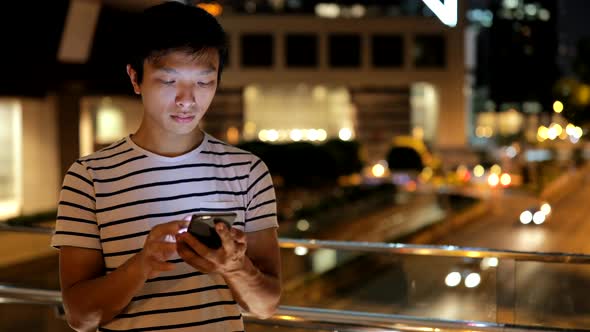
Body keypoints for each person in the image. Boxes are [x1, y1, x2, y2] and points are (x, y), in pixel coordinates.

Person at [51, 2, 281, 331]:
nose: (187, 99)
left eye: (204, 82)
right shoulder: (89, 178)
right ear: (135, 78)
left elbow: (266, 305)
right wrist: (142, 264)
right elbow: (80, 316)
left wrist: (234, 267)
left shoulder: (247, 171)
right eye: (169, 81)